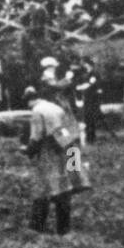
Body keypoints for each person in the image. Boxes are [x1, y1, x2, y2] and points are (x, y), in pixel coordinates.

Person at [24, 84, 87, 235]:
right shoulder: (56, 107)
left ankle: (36, 227)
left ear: (28, 101)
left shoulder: (36, 111)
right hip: (65, 149)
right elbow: (68, 130)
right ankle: (64, 228)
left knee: (43, 188)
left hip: (48, 152)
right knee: (63, 187)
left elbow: (36, 136)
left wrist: (28, 151)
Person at [74, 56, 103, 144]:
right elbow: (81, 83)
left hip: (94, 98)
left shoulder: (95, 73)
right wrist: (79, 87)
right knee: (87, 117)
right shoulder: (85, 73)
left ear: (89, 64)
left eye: (85, 63)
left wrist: (80, 87)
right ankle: (88, 137)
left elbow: (90, 84)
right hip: (86, 97)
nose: (83, 65)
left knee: (91, 117)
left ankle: (91, 138)